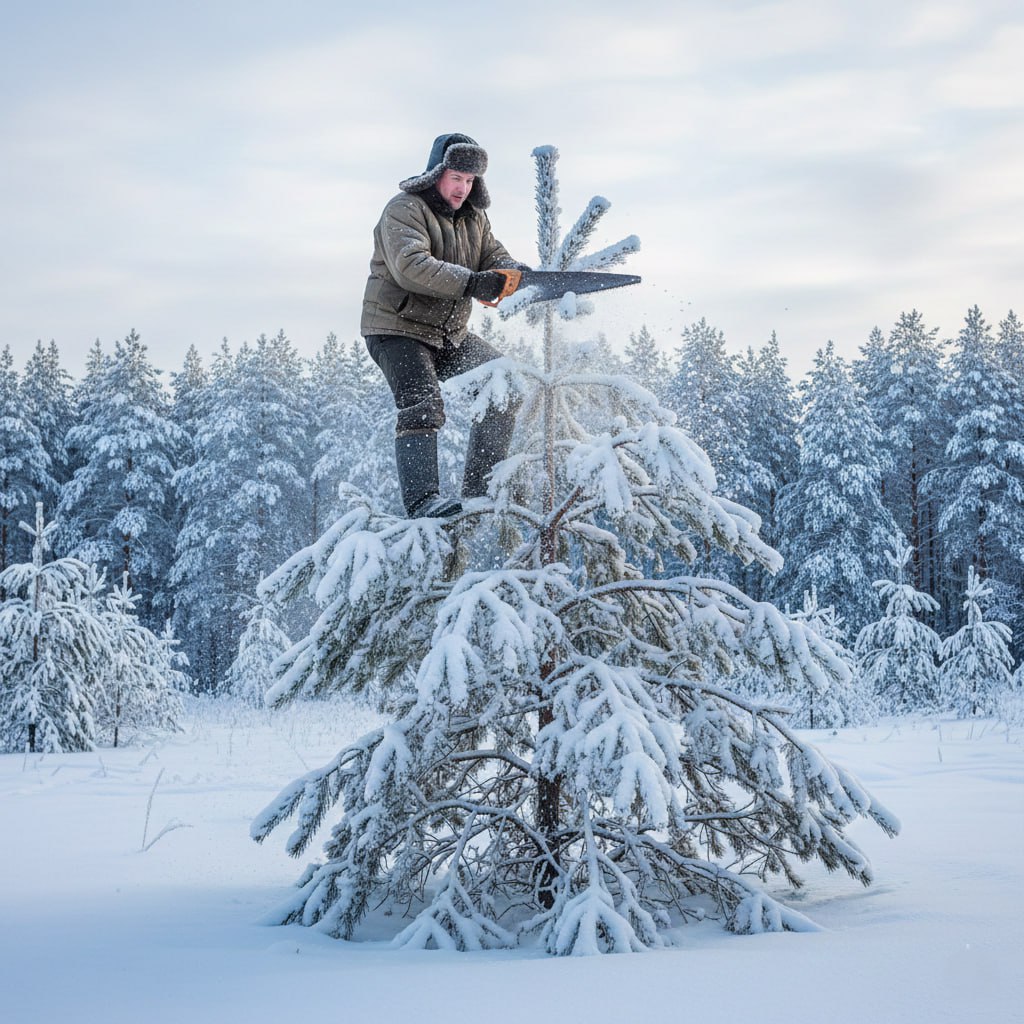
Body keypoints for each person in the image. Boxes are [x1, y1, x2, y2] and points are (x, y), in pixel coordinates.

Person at [362, 132, 525, 518]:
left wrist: (513, 274)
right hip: (397, 329)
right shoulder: (403, 210)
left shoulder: (474, 218)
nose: (463, 188)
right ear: (437, 172)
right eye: (456, 178)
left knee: (504, 384)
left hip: (448, 334)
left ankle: (480, 490)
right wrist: (473, 283)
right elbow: (410, 266)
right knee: (423, 404)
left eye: (470, 181)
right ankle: (423, 503)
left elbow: (493, 256)